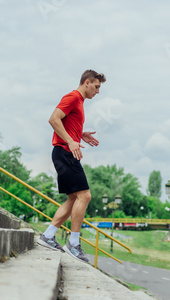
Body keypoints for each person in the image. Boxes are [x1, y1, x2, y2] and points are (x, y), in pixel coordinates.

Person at [37, 69, 106, 263]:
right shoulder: (73, 97)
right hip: (65, 153)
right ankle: (73, 244)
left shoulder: (79, 102)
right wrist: (70, 141)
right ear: (87, 82)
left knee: (74, 199)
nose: (98, 92)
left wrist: (79, 135)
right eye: (96, 87)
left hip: (64, 152)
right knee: (85, 196)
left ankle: (48, 236)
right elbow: (53, 119)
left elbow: (65, 123)